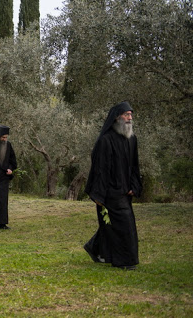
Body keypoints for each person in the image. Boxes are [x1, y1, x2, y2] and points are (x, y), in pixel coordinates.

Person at [83, 102, 142, 270]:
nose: (130, 118)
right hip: (110, 191)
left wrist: (134, 186)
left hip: (126, 190)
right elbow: (100, 169)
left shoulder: (132, 139)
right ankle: (125, 261)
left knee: (112, 224)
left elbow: (135, 166)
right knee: (125, 224)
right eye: (126, 115)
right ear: (117, 117)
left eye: (131, 115)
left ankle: (94, 247)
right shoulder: (105, 140)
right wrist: (99, 196)